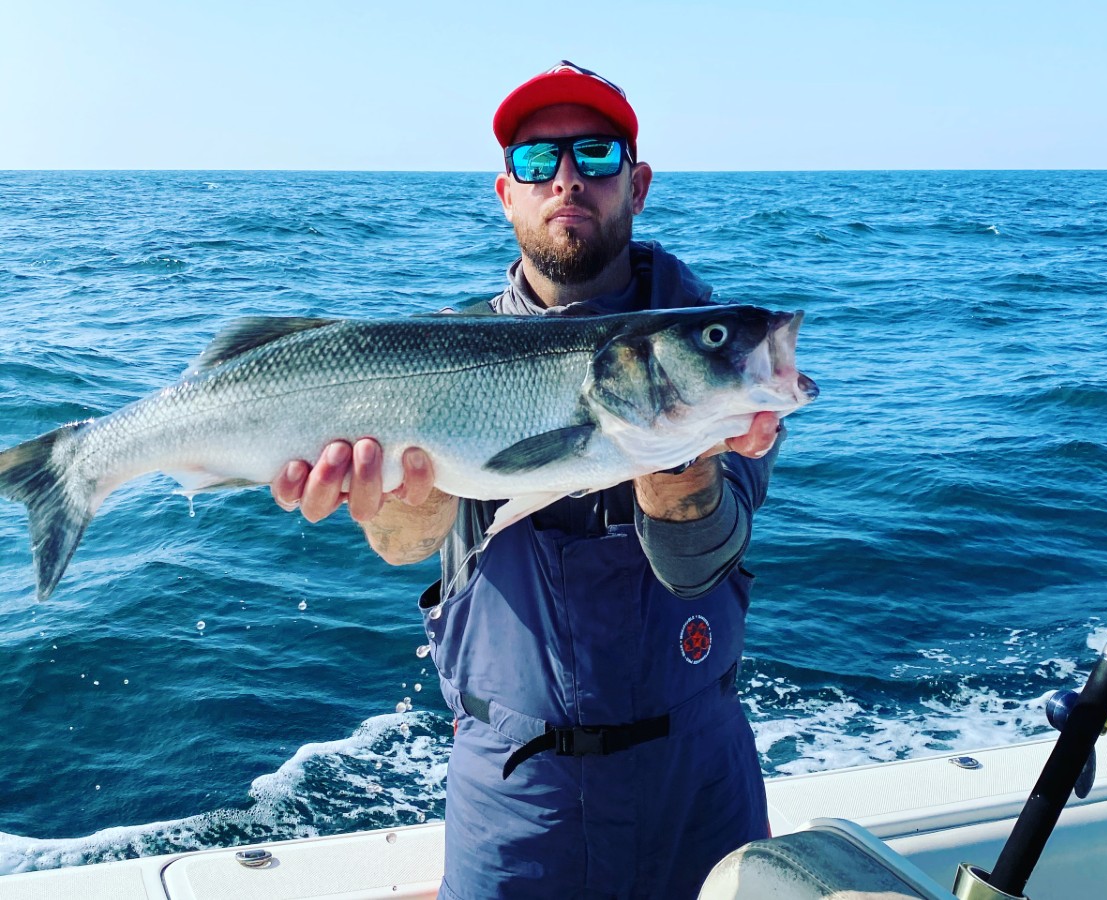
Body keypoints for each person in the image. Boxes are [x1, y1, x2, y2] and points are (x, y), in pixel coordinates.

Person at [272, 61, 783, 900]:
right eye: (539, 162)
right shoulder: (440, 353)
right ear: (506, 192)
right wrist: (398, 505)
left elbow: (700, 561)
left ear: (638, 183)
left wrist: (679, 459)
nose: (569, 179)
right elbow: (408, 547)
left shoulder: (712, 351)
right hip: (515, 795)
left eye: (596, 153)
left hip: (699, 777)